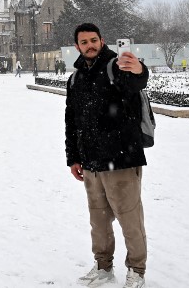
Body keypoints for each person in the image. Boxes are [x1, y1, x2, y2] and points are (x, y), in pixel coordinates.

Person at [65, 23, 149, 288]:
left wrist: (139, 69)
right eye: (84, 42)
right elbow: (71, 121)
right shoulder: (76, 78)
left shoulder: (116, 66)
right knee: (98, 220)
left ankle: (136, 270)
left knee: (129, 218)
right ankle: (103, 266)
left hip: (121, 158)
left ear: (101, 41)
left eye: (93, 40)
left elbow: (137, 81)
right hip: (91, 162)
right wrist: (73, 157)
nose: (89, 45)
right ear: (77, 46)